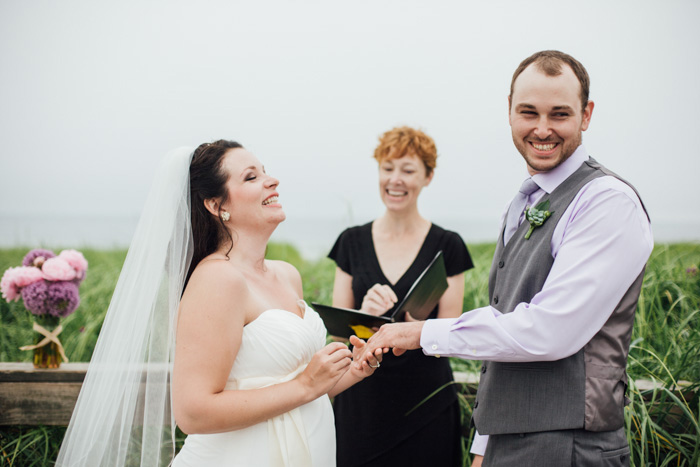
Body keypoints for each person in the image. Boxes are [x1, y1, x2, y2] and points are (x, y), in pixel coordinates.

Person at [361, 50, 653, 467]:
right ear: (510, 113)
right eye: (528, 112)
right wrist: (484, 446)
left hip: (568, 448)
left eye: (560, 114)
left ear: (586, 115)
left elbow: (550, 331)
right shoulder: (521, 204)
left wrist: (421, 333)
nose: (542, 129)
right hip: (505, 446)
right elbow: (505, 328)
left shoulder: (607, 201)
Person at [56, 140, 383, 467]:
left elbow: (300, 395)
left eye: (265, 172)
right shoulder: (217, 280)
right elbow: (193, 413)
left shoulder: (287, 275)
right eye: (251, 177)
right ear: (216, 205)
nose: (272, 181)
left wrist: (351, 371)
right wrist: (305, 384)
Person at [328, 126, 474, 466]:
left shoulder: (448, 245)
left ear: (428, 177)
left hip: (427, 403)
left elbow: (452, 336)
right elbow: (339, 335)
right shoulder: (350, 242)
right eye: (387, 168)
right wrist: (363, 316)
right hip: (361, 404)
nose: (395, 180)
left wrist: (419, 327)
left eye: (408, 171)